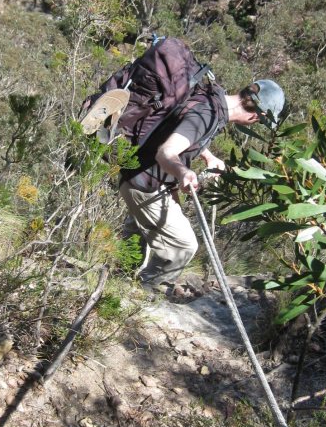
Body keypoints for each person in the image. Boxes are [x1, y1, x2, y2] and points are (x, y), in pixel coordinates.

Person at [119, 79, 285, 296]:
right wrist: (182, 172)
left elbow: (185, 129)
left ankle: (119, 279)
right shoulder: (209, 114)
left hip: (138, 173)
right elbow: (166, 153)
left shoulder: (213, 96)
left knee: (142, 229)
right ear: (256, 116)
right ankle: (139, 296)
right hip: (146, 183)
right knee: (182, 246)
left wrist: (208, 156)